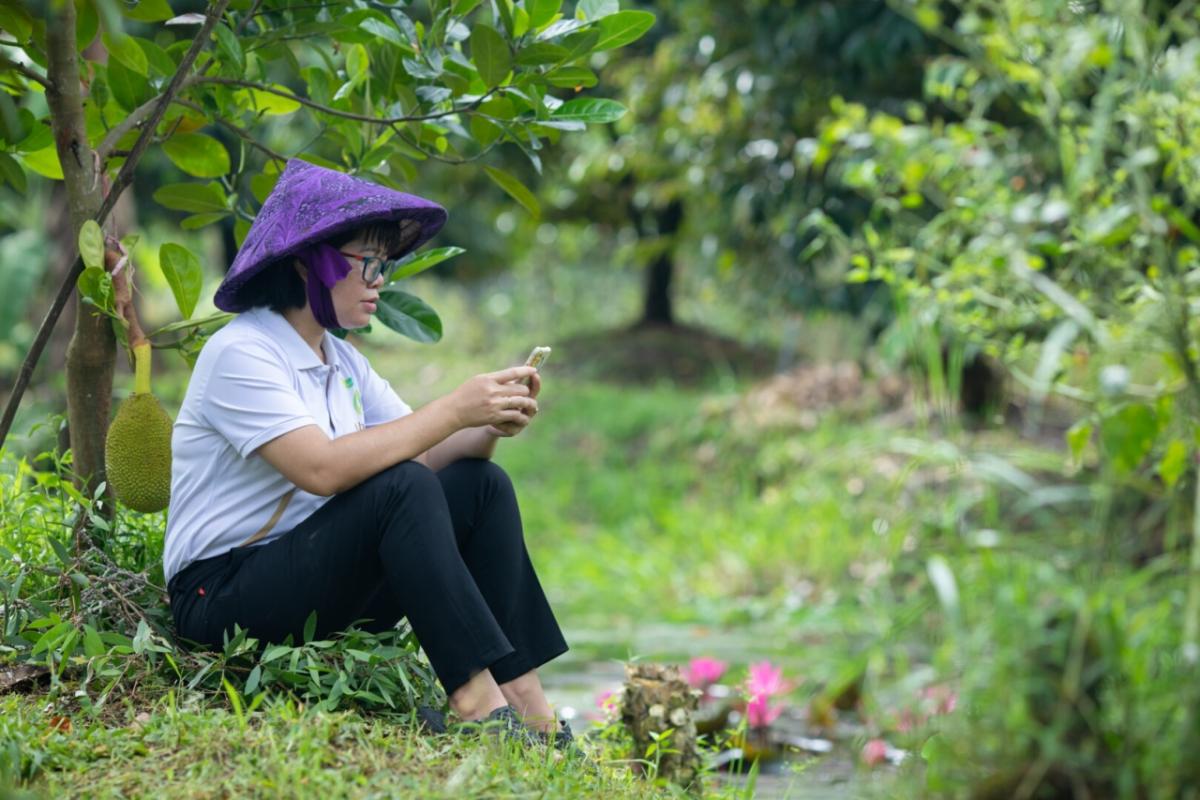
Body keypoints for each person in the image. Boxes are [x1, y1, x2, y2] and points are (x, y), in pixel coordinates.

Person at [162, 158, 570, 745]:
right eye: (369, 264)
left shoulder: (343, 362)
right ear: (310, 261)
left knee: (481, 486)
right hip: (221, 599)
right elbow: (322, 469)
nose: (380, 281)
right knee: (399, 487)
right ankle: (477, 709)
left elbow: (422, 454)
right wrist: (453, 408)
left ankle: (531, 709)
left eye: (387, 266)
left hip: (311, 576)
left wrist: (489, 422)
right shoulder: (242, 352)